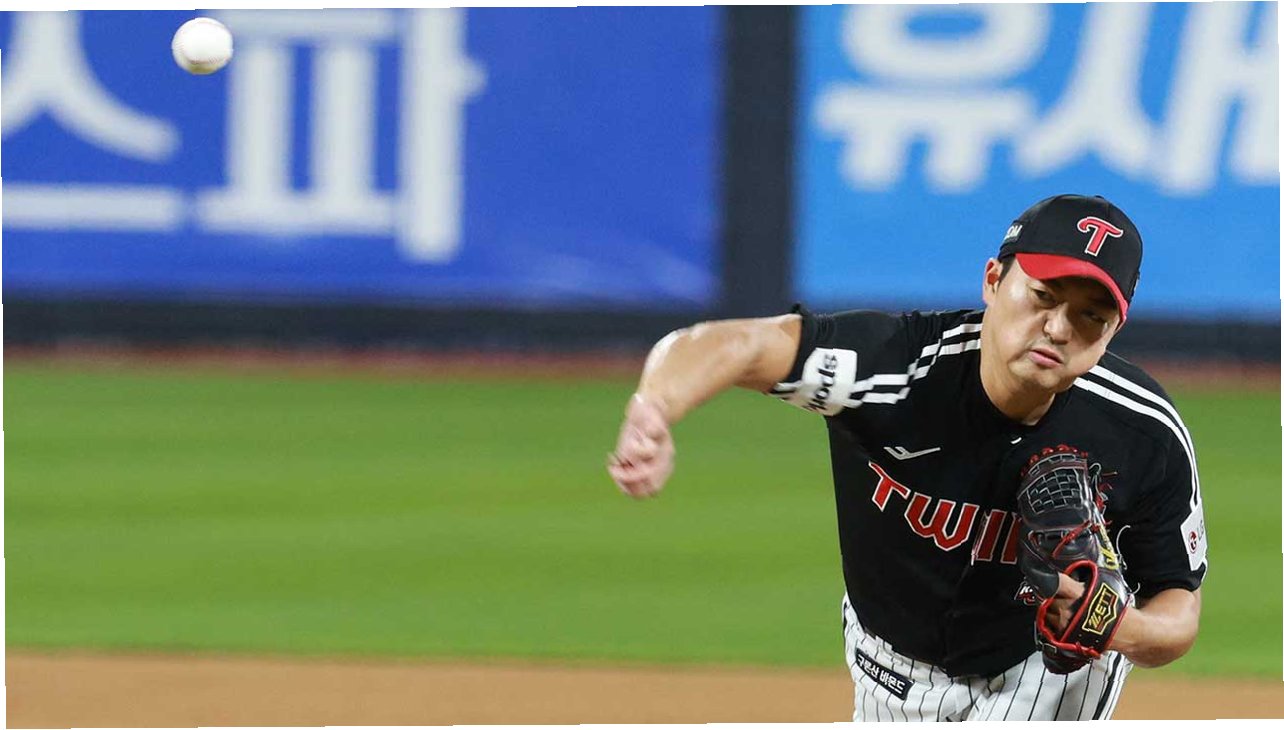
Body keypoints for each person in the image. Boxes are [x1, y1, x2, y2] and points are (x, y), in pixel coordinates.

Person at [606, 194, 1205, 721]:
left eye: (1091, 317)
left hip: (1044, 671)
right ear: (993, 281)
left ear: (1113, 331)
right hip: (888, 662)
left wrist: (1116, 627)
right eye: (1042, 296)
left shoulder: (1143, 433)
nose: (1057, 328)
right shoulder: (893, 368)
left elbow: (1178, 607)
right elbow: (735, 344)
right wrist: (655, 408)